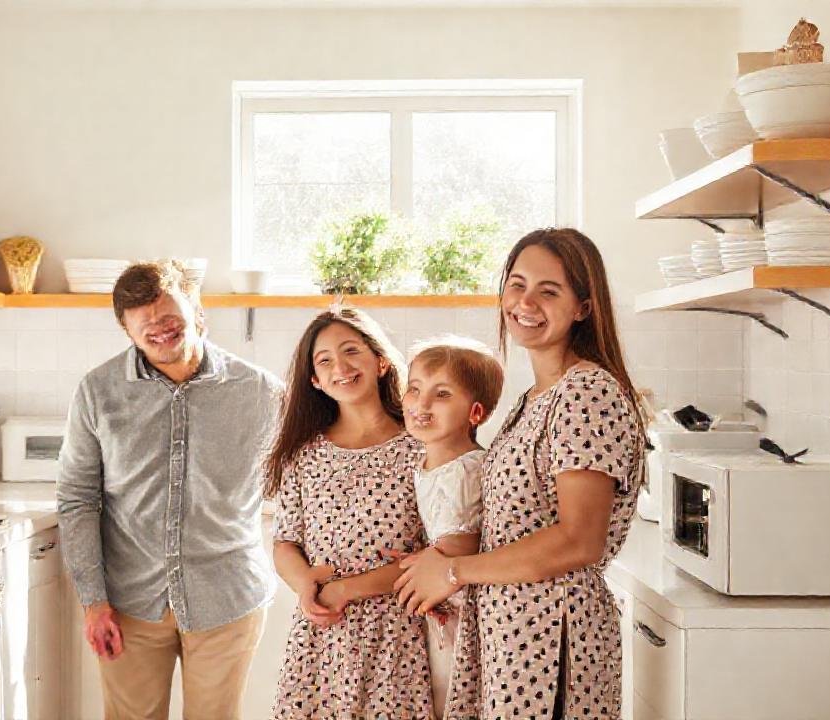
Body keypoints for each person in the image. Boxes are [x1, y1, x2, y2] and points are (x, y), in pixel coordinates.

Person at [395, 228, 647, 719]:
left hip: (553, 639)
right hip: (517, 636)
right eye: (517, 284)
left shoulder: (586, 393)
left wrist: (451, 571)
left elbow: (579, 541)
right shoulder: (536, 398)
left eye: (548, 291)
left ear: (583, 307)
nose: (525, 302)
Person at [57, 259, 282, 720]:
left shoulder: (261, 391)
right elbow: (78, 497)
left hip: (227, 597)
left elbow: (308, 475)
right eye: (145, 328)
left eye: (169, 320)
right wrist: (93, 601)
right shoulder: (98, 392)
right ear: (127, 330)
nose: (159, 332)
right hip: (129, 602)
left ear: (199, 313)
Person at [266, 307, 434, 719]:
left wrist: (346, 589)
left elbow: (436, 555)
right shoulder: (303, 454)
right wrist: (305, 583)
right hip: (321, 637)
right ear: (315, 381)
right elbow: (286, 541)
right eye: (324, 361)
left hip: (398, 633)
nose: (340, 367)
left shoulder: (423, 446)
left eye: (351, 351)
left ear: (380, 361)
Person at [401, 336, 504, 718]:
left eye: (441, 394)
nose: (421, 404)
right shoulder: (433, 463)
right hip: (443, 604)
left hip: (456, 614)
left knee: (451, 701)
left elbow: (461, 546)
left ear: (475, 413)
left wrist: (417, 568)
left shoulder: (464, 469)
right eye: (414, 389)